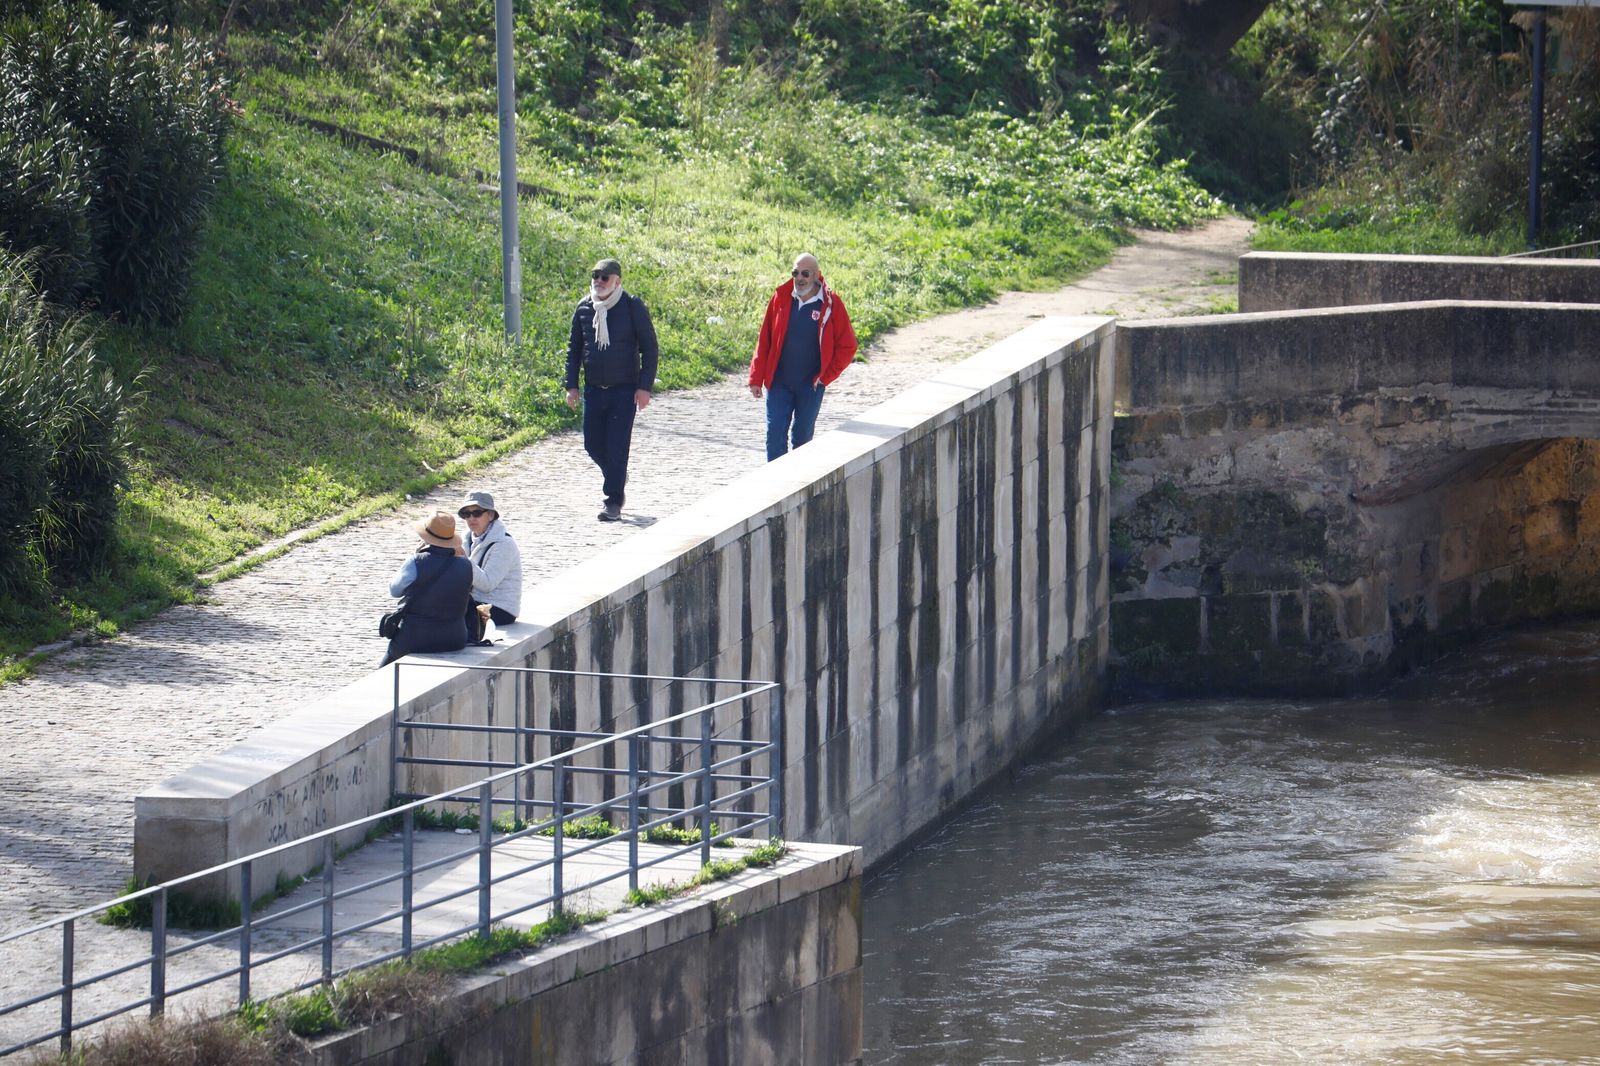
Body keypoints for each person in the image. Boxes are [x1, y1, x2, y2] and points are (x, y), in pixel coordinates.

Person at [565, 257, 659, 522]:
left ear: (617, 281)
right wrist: (571, 385)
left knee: (617, 447)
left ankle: (613, 501)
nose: (598, 281)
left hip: (623, 390)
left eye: (604, 277)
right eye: (595, 276)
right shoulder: (584, 308)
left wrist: (644, 387)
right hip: (594, 389)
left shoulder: (631, 307)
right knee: (592, 444)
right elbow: (574, 349)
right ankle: (616, 474)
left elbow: (649, 348)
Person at [748, 252, 858, 462]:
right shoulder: (780, 298)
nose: (799, 278)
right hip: (779, 381)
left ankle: (799, 486)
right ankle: (777, 485)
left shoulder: (830, 304)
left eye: (805, 273)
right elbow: (765, 339)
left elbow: (848, 346)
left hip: (810, 386)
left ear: (816, 275)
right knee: (774, 435)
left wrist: (825, 377)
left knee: (802, 440)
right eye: (795, 273)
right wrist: (756, 377)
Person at [379, 511, 473, 667]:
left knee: (383, 672)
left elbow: (394, 590)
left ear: (426, 536)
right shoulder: (466, 565)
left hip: (415, 638)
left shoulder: (416, 562)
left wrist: (416, 556)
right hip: (455, 638)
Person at [457, 489, 521, 638]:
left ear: (491, 515)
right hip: (475, 602)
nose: (472, 518)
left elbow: (487, 584)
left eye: (477, 513)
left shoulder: (504, 544)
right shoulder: (466, 538)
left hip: (500, 608)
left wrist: (462, 560)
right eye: (467, 514)